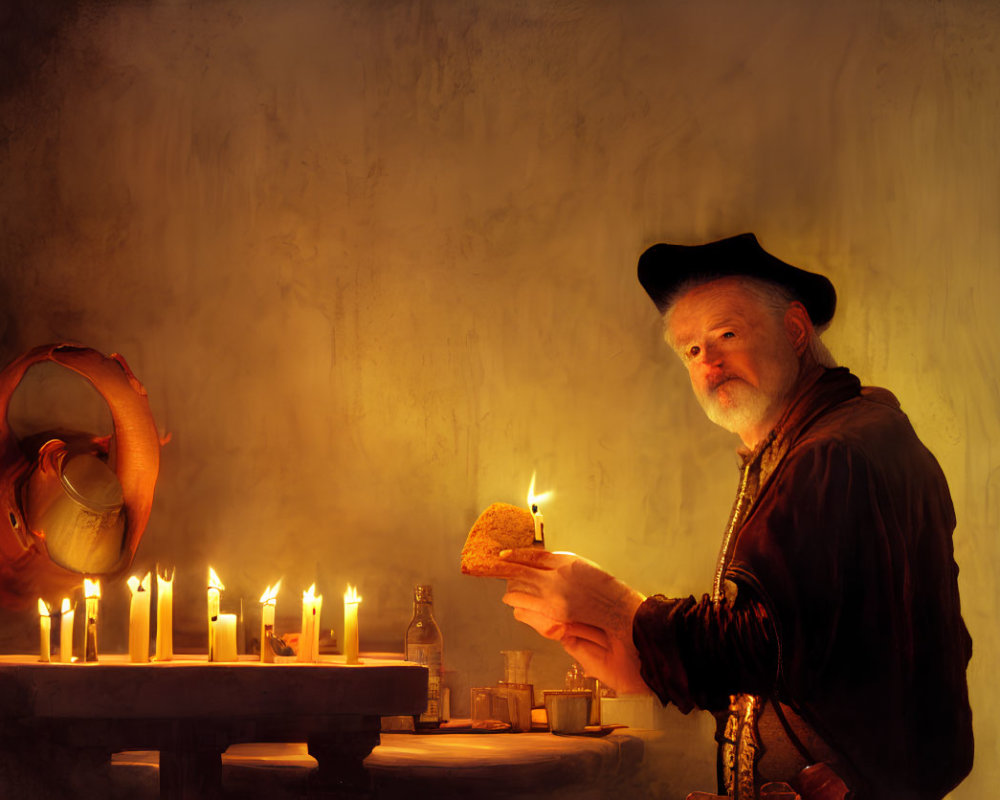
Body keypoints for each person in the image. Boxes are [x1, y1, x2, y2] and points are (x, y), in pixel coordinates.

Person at [498, 233, 973, 800]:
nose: (709, 362)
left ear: (796, 331)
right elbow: (817, 643)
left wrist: (623, 612)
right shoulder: (816, 442)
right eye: (691, 350)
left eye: (726, 334)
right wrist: (638, 659)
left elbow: (772, 644)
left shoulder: (832, 452)